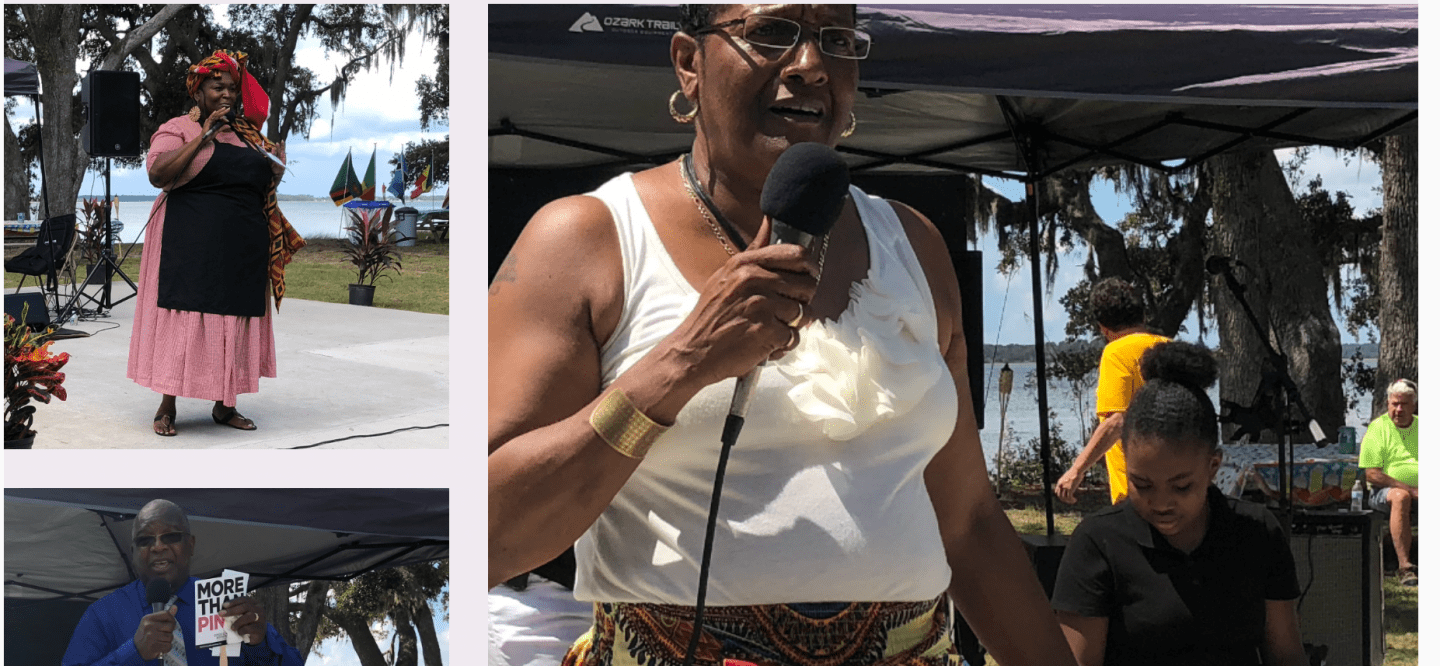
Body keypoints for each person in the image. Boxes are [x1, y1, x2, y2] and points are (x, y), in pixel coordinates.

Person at [489, 5, 1077, 666]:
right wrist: (682, 363)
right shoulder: (585, 240)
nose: (810, 65)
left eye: (837, 41)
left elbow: (968, 523)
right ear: (688, 62)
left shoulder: (913, 242)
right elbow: (490, 533)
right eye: (769, 32)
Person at [1050, 342, 1308, 666]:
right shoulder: (1098, 542)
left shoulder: (1256, 532)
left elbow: (1286, 655)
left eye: (1182, 486)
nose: (1160, 503)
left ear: (1213, 467)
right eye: (1141, 484)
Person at [127, 49, 305, 437]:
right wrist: (205, 134)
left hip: (242, 247)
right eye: (216, 86)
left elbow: (262, 184)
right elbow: (158, 173)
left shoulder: (247, 135)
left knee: (233, 324)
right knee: (182, 322)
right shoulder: (177, 128)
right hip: (188, 245)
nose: (226, 94)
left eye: (231, 88)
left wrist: (274, 166)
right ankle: (166, 406)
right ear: (198, 90)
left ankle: (225, 407)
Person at [61, 499, 304, 666]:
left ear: (191, 545)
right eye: (146, 541)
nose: (158, 547)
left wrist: (260, 643)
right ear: (133, 552)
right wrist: (133, 653)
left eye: (171, 537)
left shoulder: (227, 605)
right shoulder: (102, 615)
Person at [1055, 278, 1168, 505]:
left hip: (1135, 496)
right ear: (1143, 316)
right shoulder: (1170, 347)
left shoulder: (1116, 353)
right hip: (1177, 491)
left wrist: (1076, 470)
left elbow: (1116, 421)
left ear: (1104, 329)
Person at [1359, 378, 1420, 586]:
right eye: (1395, 404)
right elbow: (1372, 474)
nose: (1399, 409)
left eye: (1404, 404)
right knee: (1400, 496)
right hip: (1383, 493)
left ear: (1415, 405)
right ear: (1388, 404)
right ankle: (1405, 567)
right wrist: (1410, 489)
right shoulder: (1377, 429)